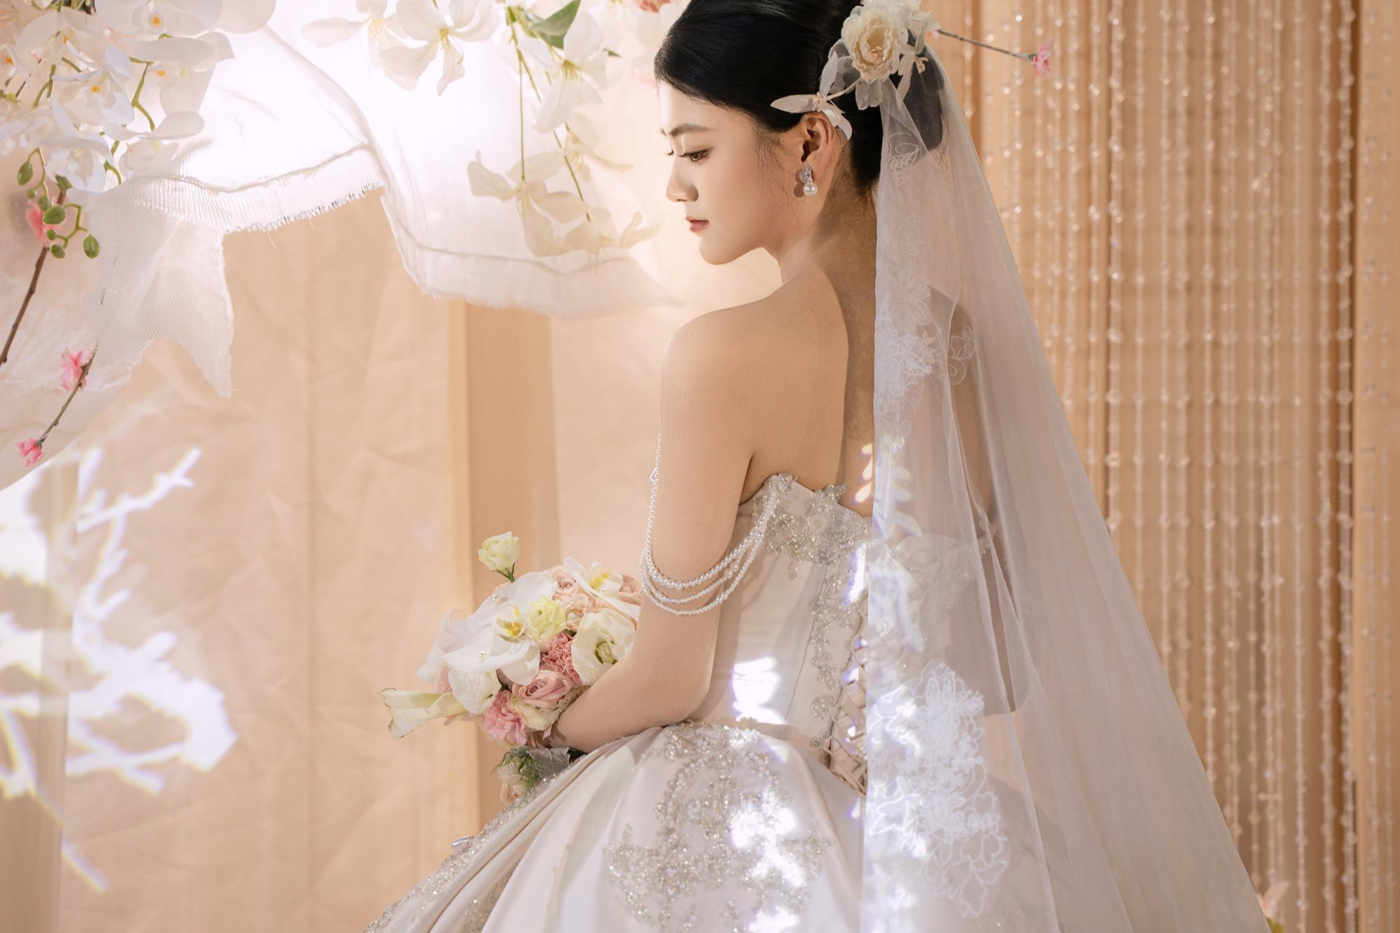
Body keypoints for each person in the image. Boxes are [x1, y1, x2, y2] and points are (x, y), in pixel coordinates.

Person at [363, 1, 1274, 931]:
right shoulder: (962, 352)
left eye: (695, 148)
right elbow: (999, 675)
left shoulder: (719, 356)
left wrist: (549, 716)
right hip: (910, 842)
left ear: (810, 141)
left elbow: (673, 677)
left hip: (719, 834)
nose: (675, 184)